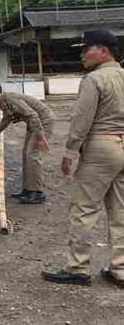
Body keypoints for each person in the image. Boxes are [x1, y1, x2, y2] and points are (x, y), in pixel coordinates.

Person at [42, 30, 124, 288]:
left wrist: (70, 151)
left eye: (86, 48)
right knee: (120, 211)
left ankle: (77, 267)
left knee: (84, 208)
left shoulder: (94, 79)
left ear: (103, 50)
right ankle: (120, 268)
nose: (81, 54)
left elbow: (81, 119)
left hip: (100, 146)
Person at [0, 88, 55, 204]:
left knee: (32, 155)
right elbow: (7, 118)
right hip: (34, 123)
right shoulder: (4, 102)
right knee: (26, 154)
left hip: (42, 121)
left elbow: (32, 115)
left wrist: (41, 136)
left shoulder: (11, 99)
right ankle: (28, 190)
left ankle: (37, 193)